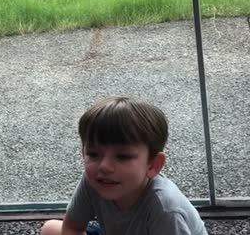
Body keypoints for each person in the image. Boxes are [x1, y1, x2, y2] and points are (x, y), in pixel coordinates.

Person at [41, 96, 208, 235]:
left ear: (153, 165)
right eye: (93, 154)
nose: (104, 166)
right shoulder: (94, 180)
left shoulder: (166, 210)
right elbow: (72, 227)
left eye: (122, 156)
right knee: (50, 230)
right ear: (83, 153)